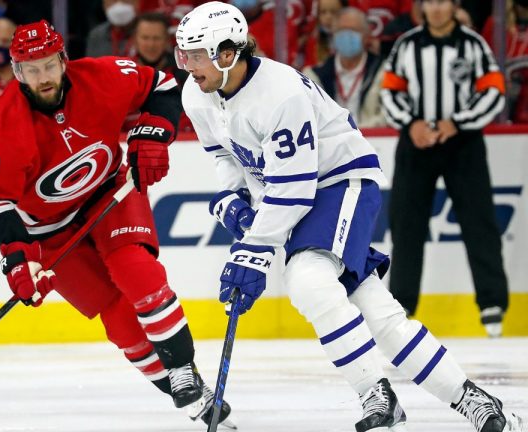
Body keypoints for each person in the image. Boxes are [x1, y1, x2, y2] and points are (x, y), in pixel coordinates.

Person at [176, 2, 526, 431]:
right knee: (378, 311)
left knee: (307, 281)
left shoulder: (280, 92)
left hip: (339, 182)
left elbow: (295, 190)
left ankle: (373, 391)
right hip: (296, 195)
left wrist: (253, 251)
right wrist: (232, 198)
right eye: (183, 55)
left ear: (227, 53)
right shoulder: (197, 93)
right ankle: (474, 399)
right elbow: (224, 156)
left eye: (195, 55)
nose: (187, 65)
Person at [0, 20, 233, 428]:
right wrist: (17, 261)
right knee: (118, 319)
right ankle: (191, 392)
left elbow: (162, 85)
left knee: (136, 271)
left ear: (63, 59)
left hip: (110, 194)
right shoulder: (3, 128)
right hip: (49, 230)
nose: (42, 77)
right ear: (17, 72)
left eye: (48, 65)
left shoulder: (102, 76)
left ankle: (182, 367)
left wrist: (151, 134)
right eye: (30, 69)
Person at [380, 0, 510, 338]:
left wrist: (458, 122)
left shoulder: (473, 44)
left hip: (463, 145)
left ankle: (492, 303)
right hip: (417, 144)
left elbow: (493, 90)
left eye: (443, 1)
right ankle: (403, 303)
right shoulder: (407, 44)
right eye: (431, 1)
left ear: (454, 6)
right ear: (423, 7)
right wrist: (411, 124)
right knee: (407, 224)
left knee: (478, 220)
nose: (437, 8)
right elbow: (389, 91)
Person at [303, 7, 386, 127]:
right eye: (341, 30)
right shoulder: (314, 75)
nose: (347, 35)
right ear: (333, 35)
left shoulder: (383, 70)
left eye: (353, 30)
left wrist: (358, 132)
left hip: (373, 140)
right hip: (330, 141)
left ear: (366, 35)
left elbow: (386, 115)